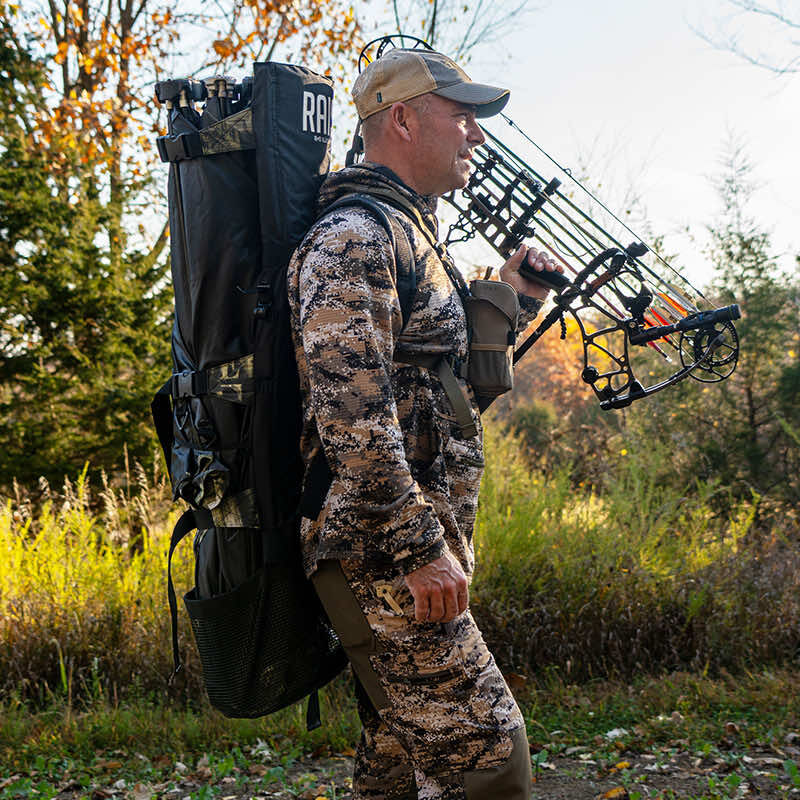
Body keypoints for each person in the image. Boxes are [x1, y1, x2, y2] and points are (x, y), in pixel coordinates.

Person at [287, 47, 562, 800]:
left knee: (398, 769)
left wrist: (513, 297)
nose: (477, 133)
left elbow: (439, 403)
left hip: (407, 548)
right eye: (462, 115)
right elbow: (353, 422)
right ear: (402, 119)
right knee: (490, 764)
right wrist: (419, 550)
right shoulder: (354, 239)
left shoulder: (414, 238)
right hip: (381, 553)